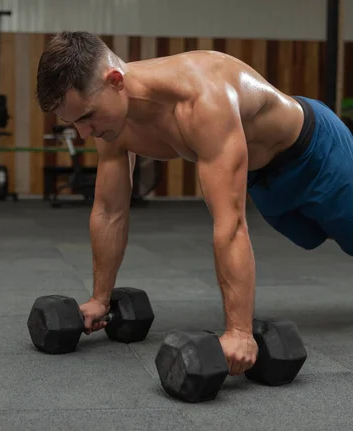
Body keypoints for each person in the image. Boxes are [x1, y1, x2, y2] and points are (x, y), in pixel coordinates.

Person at [35, 31, 353, 377]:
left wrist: (239, 333)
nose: (83, 133)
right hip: (263, 181)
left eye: (86, 117)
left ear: (114, 81)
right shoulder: (111, 122)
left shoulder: (202, 98)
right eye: (72, 122)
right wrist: (100, 298)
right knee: (313, 236)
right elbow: (110, 211)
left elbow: (229, 223)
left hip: (316, 153)